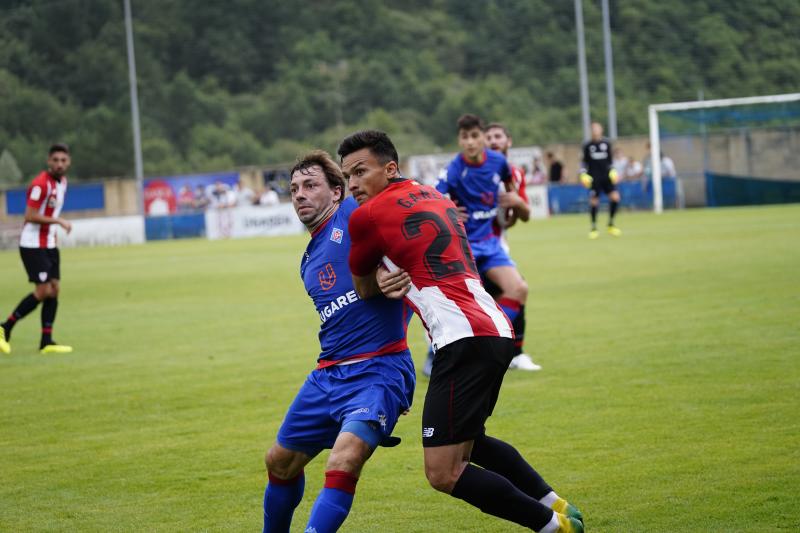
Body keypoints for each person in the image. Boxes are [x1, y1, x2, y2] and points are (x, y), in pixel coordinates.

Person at [342, 130, 583, 533]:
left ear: (390, 168)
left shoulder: (365, 216)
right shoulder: (434, 196)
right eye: (347, 175)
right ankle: (554, 503)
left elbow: (365, 288)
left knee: (443, 471)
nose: (352, 184)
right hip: (496, 326)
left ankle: (553, 527)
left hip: (460, 338)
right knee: (472, 439)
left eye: (360, 171)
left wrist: (380, 279)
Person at [262, 150, 415, 533]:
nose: (299, 194)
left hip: (380, 369)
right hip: (328, 374)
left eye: (310, 185)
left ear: (337, 192)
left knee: (343, 460)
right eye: (294, 188)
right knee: (279, 462)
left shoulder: (356, 215)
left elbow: (407, 240)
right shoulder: (309, 260)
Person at [1, 143, 73, 355]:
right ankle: (5, 327)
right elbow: (30, 215)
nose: (59, 164)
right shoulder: (40, 184)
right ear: (48, 161)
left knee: (55, 289)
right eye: (56, 160)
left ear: (68, 162)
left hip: (50, 244)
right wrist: (58, 221)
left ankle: (46, 341)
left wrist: (54, 234)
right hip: (32, 244)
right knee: (43, 290)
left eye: (63, 160)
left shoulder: (63, 183)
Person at [484, 121, 541, 371]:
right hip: (469, 250)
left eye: (498, 136)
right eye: (489, 137)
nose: (494, 140)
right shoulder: (473, 171)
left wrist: (516, 203)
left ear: (509, 142)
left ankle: (514, 354)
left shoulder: (515, 174)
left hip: (497, 248)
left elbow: (522, 216)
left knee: (516, 291)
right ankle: (438, 352)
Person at [580, 122, 621, 239]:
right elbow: (583, 163)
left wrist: (613, 171)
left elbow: (610, 161)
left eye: (597, 128)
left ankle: (611, 224)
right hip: (594, 177)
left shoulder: (606, 144)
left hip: (606, 177)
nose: (595, 130)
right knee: (594, 201)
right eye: (593, 129)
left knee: (615, 198)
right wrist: (583, 174)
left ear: (601, 130)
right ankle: (593, 227)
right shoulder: (587, 146)